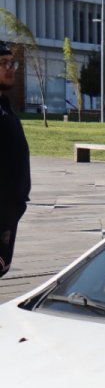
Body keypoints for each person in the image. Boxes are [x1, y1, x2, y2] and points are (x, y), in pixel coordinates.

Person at [0, 40, 31, 278]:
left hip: (8, 214)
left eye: (12, 62)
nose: (10, 68)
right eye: (3, 63)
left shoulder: (5, 106)